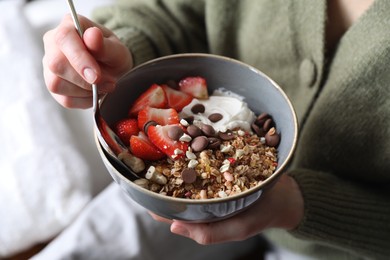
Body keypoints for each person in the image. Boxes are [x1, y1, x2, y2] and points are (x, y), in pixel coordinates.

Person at [41, 0, 390, 259]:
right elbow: (170, 11)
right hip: (184, 205)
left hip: (337, 244)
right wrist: (118, 54)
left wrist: (301, 205)